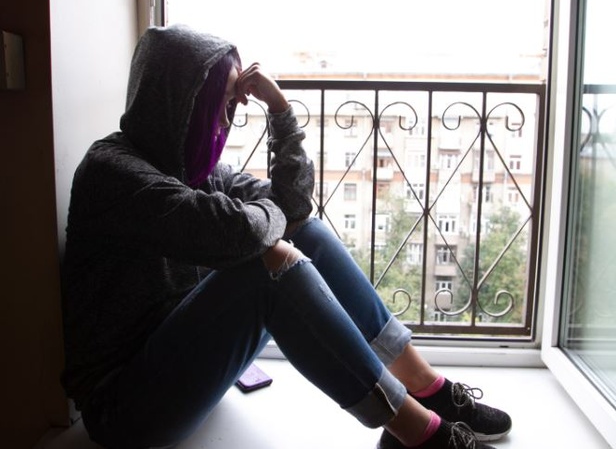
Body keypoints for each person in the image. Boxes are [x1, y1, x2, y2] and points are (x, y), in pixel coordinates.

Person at [60, 24, 512, 449]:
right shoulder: (113, 173)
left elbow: (294, 210)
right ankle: (416, 432)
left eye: (232, 106)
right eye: (219, 104)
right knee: (270, 265)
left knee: (305, 235)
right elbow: (240, 233)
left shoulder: (201, 173)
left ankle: (426, 387)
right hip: (126, 408)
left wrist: (280, 112)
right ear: (179, 101)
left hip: (187, 367)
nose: (224, 122)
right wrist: (266, 218)